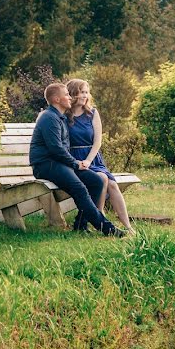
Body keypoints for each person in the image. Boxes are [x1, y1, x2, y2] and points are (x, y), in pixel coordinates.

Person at [29, 82, 124, 236]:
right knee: (79, 188)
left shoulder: (60, 117)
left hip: (60, 163)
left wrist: (75, 163)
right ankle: (108, 229)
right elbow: (56, 149)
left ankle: (80, 225)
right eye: (66, 95)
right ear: (57, 100)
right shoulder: (49, 118)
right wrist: (75, 163)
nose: (70, 97)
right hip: (46, 165)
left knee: (97, 181)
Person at [65, 79, 135, 234]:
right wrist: (79, 162)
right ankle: (101, 218)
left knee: (112, 184)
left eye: (86, 92)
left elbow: (98, 141)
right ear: (73, 93)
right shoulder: (65, 115)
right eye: (82, 92)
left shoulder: (92, 113)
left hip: (92, 157)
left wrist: (89, 160)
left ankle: (128, 226)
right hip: (75, 159)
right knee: (101, 180)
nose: (85, 95)